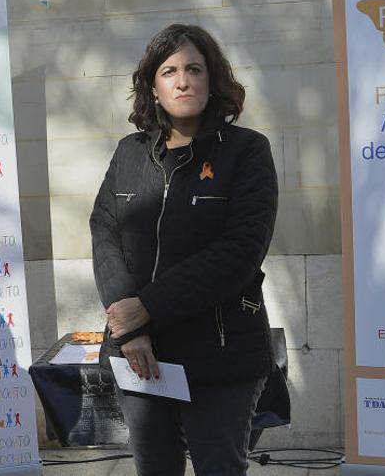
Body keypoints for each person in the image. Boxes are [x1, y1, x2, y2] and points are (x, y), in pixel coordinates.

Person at [90, 24, 279, 475]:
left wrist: (146, 307)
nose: (182, 80)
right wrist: (128, 323)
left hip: (220, 350)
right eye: (169, 70)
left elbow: (239, 251)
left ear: (212, 80)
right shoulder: (129, 153)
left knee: (219, 467)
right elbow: (104, 233)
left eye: (194, 68)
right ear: (152, 87)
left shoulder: (248, 151)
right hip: (140, 351)